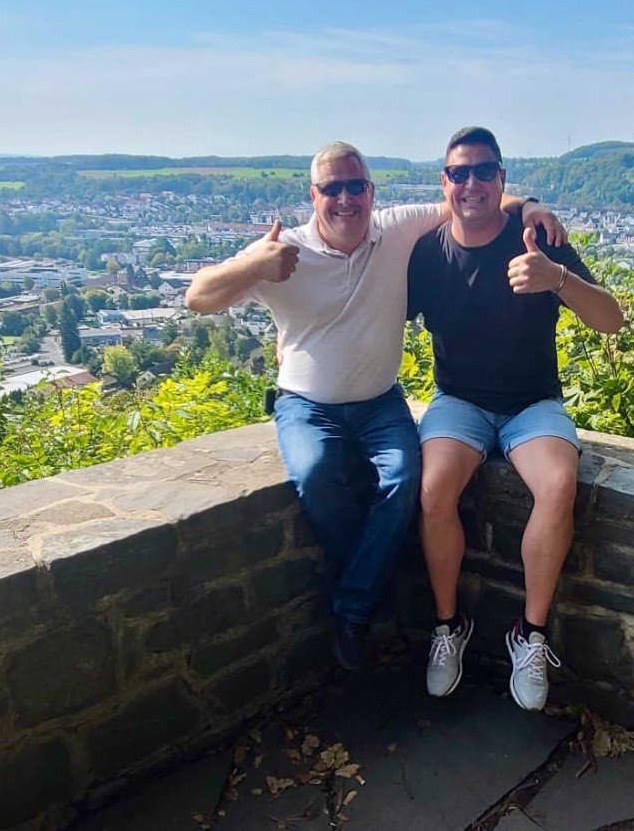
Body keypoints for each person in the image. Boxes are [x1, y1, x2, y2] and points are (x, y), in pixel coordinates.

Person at [185, 140, 567, 671]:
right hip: (306, 404)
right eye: (332, 189)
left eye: (355, 186)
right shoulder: (283, 251)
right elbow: (198, 296)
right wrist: (253, 268)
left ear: (371, 191)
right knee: (318, 473)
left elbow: (473, 197)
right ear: (313, 196)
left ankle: (356, 603)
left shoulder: (396, 229)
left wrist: (530, 207)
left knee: (404, 480)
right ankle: (361, 602)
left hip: (380, 402)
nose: (346, 199)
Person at [407, 127, 623, 710]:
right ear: (444, 183)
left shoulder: (536, 237)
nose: (471, 183)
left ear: (502, 179)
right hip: (459, 402)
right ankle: (449, 626)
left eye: (484, 171)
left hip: (533, 404)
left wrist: (556, 278)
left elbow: (611, 320)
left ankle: (529, 635)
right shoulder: (427, 252)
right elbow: (371, 317)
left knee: (557, 485)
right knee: (432, 490)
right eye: (459, 173)